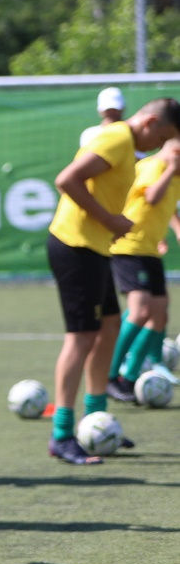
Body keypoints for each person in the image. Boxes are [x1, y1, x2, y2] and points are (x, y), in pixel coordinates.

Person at [46, 97, 180, 464]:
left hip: (96, 249)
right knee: (81, 338)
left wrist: (109, 227)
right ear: (151, 122)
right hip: (74, 246)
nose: (157, 147)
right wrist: (108, 220)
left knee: (107, 329)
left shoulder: (125, 145)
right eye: (162, 137)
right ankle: (61, 434)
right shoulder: (118, 139)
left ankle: (96, 419)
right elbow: (67, 179)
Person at [106, 138, 180, 401]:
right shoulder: (154, 167)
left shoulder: (175, 175)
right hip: (129, 246)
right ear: (174, 152)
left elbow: (167, 204)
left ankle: (130, 377)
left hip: (148, 249)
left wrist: (174, 227)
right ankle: (109, 375)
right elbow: (151, 196)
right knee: (140, 310)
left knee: (159, 314)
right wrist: (171, 169)